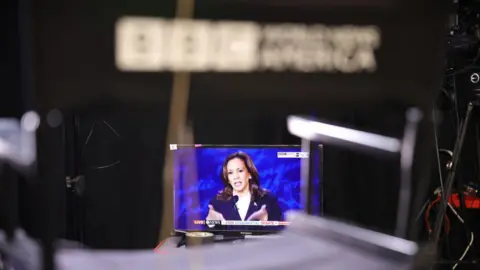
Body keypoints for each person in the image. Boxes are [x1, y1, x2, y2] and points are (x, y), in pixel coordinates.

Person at [206, 151, 283, 229]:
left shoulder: (268, 199)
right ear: (228, 179)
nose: (236, 176)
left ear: (250, 174)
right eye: (230, 173)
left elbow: (279, 233)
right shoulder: (217, 202)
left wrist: (266, 224)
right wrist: (211, 223)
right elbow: (210, 236)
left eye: (240, 171)